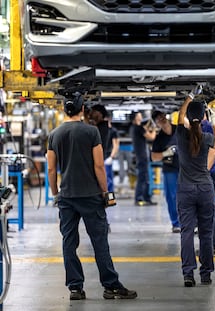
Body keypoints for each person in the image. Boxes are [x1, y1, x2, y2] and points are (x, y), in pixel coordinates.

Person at [46, 92, 137, 300]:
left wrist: (55, 194)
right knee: (99, 241)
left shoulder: (54, 135)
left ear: (64, 110)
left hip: (67, 197)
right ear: (83, 110)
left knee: (69, 242)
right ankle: (110, 285)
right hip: (91, 196)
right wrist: (106, 193)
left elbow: (51, 170)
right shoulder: (91, 132)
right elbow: (99, 166)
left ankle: (75, 288)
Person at [176, 88, 215, 287]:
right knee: (206, 233)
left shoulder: (181, 136)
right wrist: (213, 122)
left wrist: (190, 97)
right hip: (205, 189)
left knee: (186, 232)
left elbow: (180, 116)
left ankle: (188, 274)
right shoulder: (207, 138)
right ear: (203, 117)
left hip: (185, 189)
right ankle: (206, 274)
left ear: (188, 116)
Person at [150, 110, 181, 233]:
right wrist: (165, 153)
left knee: (188, 195)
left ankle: (190, 222)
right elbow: (153, 157)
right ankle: (176, 223)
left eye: (162, 116)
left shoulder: (179, 129)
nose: (161, 119)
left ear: (166, 116)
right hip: (170, 170)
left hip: (185, 168)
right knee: (171, 196)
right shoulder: (159, 139)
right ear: (156, 123)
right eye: (158, 119)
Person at [89, 105, 119, 192]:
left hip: (105, 158)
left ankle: (109, 198)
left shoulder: (108, 129)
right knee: (105, 180)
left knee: (107, 180)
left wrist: (111, 157)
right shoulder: (99, 127)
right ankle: (109, 199)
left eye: (93, 112)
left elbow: (116, 144)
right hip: (100, 158)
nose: (91, 115)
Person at [201, 117, 215, 257]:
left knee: (210, 208)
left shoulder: (205, 125)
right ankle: (210, 247)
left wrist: (203, 172)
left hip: (207, 173)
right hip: (206, 173)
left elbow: (214, 148)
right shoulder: (203, 125)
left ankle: (212, 247)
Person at [131, 111, 156, 206]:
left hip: (141, 156)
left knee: (145, 178)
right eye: (139, 115)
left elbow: (144, 130)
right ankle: (139, 198)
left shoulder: (135, 128)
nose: (141, 116)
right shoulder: (138, 128)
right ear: (135, 118)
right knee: (143, 178)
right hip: (142, 157)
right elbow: (151, 137)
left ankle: (146, 198)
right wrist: (153, 129)